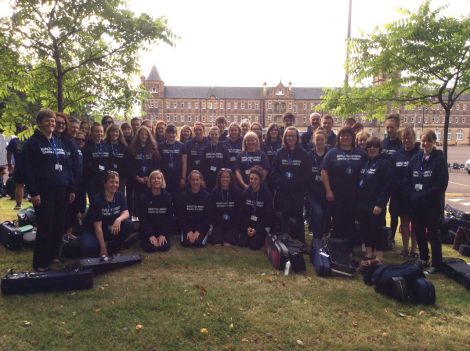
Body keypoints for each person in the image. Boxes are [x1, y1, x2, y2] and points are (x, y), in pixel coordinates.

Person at [22, 109, 75, 271]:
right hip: (44, 192)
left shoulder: (58, 142)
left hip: (62, 190)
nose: (51, 123)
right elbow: (27, 170)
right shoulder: (32, 143)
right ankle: (40, 262)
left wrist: (71, 188)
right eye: (47, 121)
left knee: (59, 225)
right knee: (45, 226)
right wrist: (34, 192)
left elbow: (67, 167)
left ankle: (54, 256)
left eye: (53, 121)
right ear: (39, 123)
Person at [406, 130, 448, 273]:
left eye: (429, 141)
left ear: (434, 142)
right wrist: (412, 194)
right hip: (416, 204)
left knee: (432, 233)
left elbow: (441, 184)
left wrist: (424, 195)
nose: (426, 144)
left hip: (432, 204)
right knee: (418, 231)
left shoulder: (439, 159)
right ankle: (423, 258)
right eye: (423, 141)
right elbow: (408, 180)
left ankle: (437, 263)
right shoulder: (416, 159)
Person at [321, 127, 366, 253]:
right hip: (337, 194)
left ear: (353, 137)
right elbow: (324, 172)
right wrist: (328, 190)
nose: (345, 138)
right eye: (342, 135)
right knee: (337, 220)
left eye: (348, 135)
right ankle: (337, 248)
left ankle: (349, 249)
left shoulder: (361, 153)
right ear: (338, 137)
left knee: (351, 221)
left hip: (355, 193)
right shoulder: (332, 153)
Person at [356, 136, 393, 263]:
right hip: (362, 202)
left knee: (377, 229)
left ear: (379, 148)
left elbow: (387, 186)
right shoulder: (364, 162)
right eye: (369, 146)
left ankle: (379, 255)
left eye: (375, 146)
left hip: (376, 203)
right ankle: (369, 252)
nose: (372, 148)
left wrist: (380, 203)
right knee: (365, 228)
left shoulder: (384, 163)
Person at [271, 127, 310, 243]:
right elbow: (274, 170)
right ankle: (284, 237)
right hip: (283, 190)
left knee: (298, 215)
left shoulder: (303, 154)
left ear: (297, 138)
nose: (291, 138)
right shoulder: (279, 153)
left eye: (293, 136)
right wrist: (281, 182)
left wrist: (297, 184)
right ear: (285, 137)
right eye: (288, 136)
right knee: (285, 214)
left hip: (298, 190)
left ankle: (300, 240)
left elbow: (306, 172)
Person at [80, 171, 133, 257]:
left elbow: (126, 213)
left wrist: (118, 219)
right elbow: (97, 227)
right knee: (88, 248)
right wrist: (103, 247)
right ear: (105, 184)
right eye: (111, 182)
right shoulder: (97, 200)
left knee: (129, 224)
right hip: (93, 230)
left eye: (116, 182)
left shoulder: (120, 195)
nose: (114, 185)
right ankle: (103, 246)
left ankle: (114, 247)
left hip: (110, 228)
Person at [391, 127, 420, 257]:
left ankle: (414, 249)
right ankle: (405, 248)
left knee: (415, 222)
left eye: (409, 138)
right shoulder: (397, 154)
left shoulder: (419, 154)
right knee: (404, 222)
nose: (406, 140)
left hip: (414, 194)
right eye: (404, 138)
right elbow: (393, 173)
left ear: (414, 139)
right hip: (400, 194)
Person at [128, 126, 161, 216]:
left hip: (150, 181)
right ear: (138, 135)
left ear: (148, 136)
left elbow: (157, 164)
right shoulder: (132, 148)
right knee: (138, 202)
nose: (144, 136)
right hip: (137, 181)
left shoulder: (153, 148)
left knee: (150, 202)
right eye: (142, 134)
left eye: (146, 134)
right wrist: (137, 177)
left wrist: (150, 177)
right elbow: (130, 165)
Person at [138, 170, 172, 253]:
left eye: (158, 178)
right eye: (153, 178)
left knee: (164, 248)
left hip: (162, 230)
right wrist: (150, 235)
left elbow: (169, 218)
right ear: (150, 181)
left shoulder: (168, 197)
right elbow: (143, 218)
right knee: (151, 248)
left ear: (162, 181)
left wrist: (163, 234)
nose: (156, 180)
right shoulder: (144, 197)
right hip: (148, 230)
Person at [239, 167, 273, 250]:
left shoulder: (266, 194)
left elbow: (267, 216)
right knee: (242, 243)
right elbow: (242, 213)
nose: (253, 181)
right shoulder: (245, 194)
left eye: (256, 179)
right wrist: (247, 227)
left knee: (254, 245)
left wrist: (256, 229)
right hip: (249, 225)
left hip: (260, 225)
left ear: (260, 180)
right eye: (251, 178)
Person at [382, 113, 402, 245]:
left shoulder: (401, 143)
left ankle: (391, 238)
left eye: (392, 127)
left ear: (397, 127)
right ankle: (382, 234)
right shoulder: (383, 142)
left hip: (396, 182)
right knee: (381, 209)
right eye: (388, 127)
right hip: (383, 181)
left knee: (393, 211)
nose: (390, 130)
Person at [63, 117, 84, 236]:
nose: (75, 130)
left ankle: (69, 233)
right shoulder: (63, 142)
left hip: (78, 182)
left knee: (74, 209)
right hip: (68, 183)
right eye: (72, 127)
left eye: (77, 127)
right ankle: (64, 234)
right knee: (67, 210)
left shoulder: (75, 143)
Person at [178, 170, 211, 248]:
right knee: (185, 243)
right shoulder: (183, 196)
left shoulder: (207, 196)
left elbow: (208, 217)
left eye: (197, 180)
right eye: (193, 180)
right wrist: (188, 231)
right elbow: (181, 216)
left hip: (201, 228)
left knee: (199, 244)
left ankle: (203, 234)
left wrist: (198, 231)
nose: (195, 182)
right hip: (188, 227)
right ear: (189, 181)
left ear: (201, 181)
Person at [209, 168, 241, 246]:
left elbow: (238, 211)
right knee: (217, 243)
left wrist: (230, 221)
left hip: (232, 224)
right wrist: (220, 221)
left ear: (231, 179)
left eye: (227, 177)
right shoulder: (214, 192)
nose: (225, 179)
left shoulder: (236, 192)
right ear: (219, 178)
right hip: (219, 223)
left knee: (227, 244)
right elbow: (212, 211)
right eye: (223, 177)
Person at [307, 130, 329, 241]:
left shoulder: (329, 153)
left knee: (325, 214)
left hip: (326, 190)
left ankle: (322, 235)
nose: (319, 141)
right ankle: (316, 237)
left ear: (325, 140)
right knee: (318, 213)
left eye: (322, 139)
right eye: (317, 139)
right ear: (314, 141)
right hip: (313, 191)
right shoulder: (309, 154)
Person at [83, 123, 111, 202]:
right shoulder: (87, 146)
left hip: (105, 180)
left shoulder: (106, 146)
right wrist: (96, 176)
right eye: (97, 131)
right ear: (91, 132)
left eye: (101, 131)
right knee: (95, 202)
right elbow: (86, 164)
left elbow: (110, 161)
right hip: (92, 181)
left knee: (105, 201)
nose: (99, 133)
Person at [159, 124, 187, 199]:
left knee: (177, 199)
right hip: (165, 177)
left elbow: (184, 163)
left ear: (176, 134)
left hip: (177, 177)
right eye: (168, 133)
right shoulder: (160, 146)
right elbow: (158, 163)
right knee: (165, 199)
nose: (171, 135)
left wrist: (183, 178)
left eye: (173, 133)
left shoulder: (182, 146)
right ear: (165, 134)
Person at [201, 126, 229, 190]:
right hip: (207, 178)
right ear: (209, 135)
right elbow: (202, 165)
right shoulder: (205, 148)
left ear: (219, 135)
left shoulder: (224, 148)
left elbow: (226, 164)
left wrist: (225, 178)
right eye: (212, 134)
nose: (214, 136)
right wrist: (202, 179)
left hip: (220, 179)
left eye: (216, 134)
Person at [6, 127, 26, 210]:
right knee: (33, 184)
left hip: (18, 165)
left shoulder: (14, 140)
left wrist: (9, 163)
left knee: (19, 185)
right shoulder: (31, 139)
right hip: (30, 165)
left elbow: (9, 152)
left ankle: (18, 204)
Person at [105, 124, 130, 192]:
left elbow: (127, 163)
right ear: (109, 133)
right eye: (112, 131)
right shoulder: (104, 145)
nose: (114, 133)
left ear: (119, 133)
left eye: (116, 132)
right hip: (107, 178)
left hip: (120, 178)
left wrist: (120, 175)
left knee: (119, 197)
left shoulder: (124, 146)